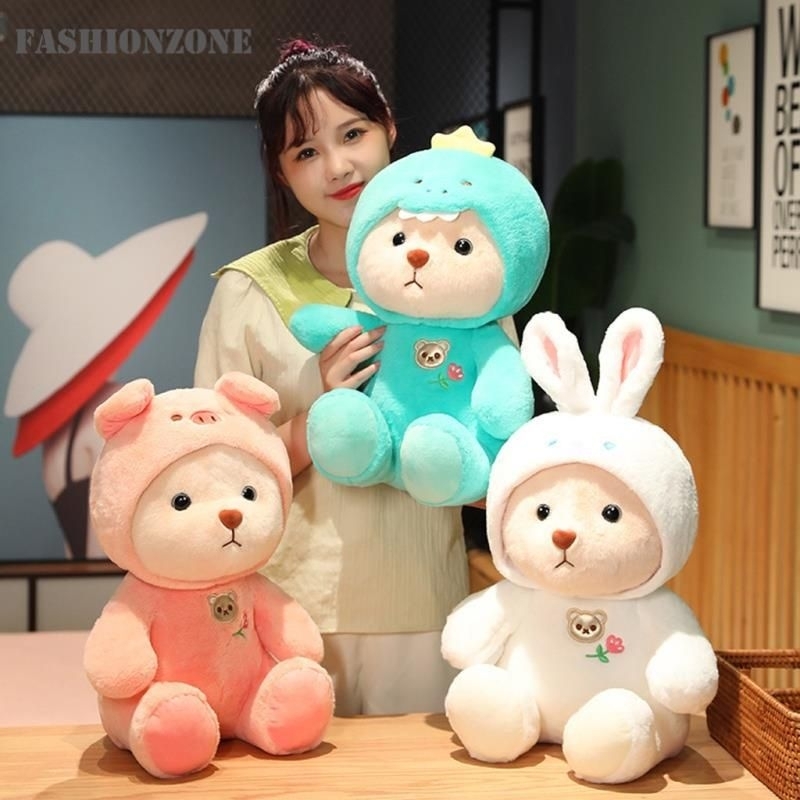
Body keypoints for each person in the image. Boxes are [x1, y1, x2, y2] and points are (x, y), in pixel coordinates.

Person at [194, 39, 469, 716]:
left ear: (389, 129)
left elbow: (492, 440)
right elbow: (212, 477)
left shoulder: (464, 270)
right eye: (306, 151)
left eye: (353, 134)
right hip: (288, 606)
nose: (339, 166)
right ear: (280, 170)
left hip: (423, 599)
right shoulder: (247, 291)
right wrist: (317, 411)